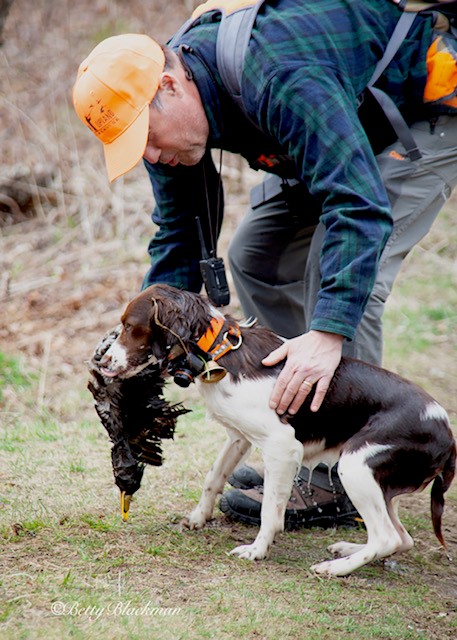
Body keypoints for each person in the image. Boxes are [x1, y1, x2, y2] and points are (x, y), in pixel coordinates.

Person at [73, 0, 457, 529]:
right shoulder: (171, 122)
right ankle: (295, 430)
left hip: (416, 112)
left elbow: (359, 208)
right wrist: (146, 358)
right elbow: (180, 236)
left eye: (145, 139)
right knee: (256, 257)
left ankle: (340, 467)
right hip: (333, 125)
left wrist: (327, 333)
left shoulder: (280, 75)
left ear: (169, 86)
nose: (152, 157)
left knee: (337, 272)